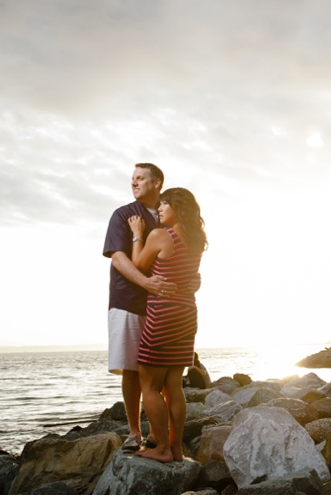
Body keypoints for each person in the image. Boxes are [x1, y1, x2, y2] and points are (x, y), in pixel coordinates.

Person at [102, 163, 198, 453]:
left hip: (162, 308)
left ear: (157, 183)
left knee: (156, 378)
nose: (134, 183)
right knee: (137, 370)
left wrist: (191, 279)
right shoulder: (123, 215)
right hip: (133, 301)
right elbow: (119, 260)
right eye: (132, 179)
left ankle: (161, 442)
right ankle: (137, 433)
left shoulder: (163, 220)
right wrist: (148, 283)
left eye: (140, 178)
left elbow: (152, 260)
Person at [128, 187, 207, 463]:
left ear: (179, 207)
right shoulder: (196, 239)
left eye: (165, 203)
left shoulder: (160, 235)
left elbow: (138, 264)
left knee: (149, 384)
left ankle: (160, 448)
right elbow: (191, 274)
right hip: (187, 313)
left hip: (163, 314)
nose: (159, 208)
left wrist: (137, 234)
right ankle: (176, 448)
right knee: (173, 384)